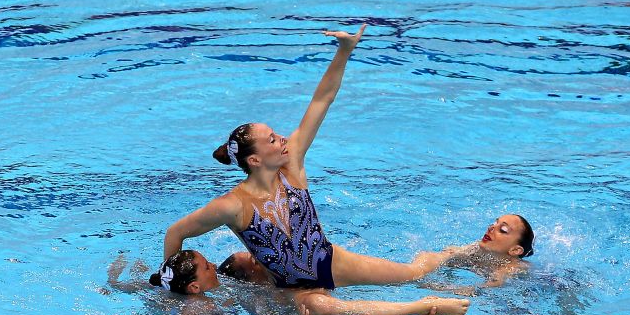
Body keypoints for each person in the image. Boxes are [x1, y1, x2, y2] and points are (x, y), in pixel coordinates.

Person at [161, 24, 457, 291]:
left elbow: (322, 99)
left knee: (415, 274)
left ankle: (458, 253)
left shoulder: (291, 164)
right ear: (255, 160)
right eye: (272, 139)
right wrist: (173, 289)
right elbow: (175, 233)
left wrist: (344, 51)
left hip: (332, 265)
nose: (283, 139)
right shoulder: (231, 206)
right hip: (290, 291)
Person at [219, 250, 469, 315]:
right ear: (254, 278)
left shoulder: (291, 261)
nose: (260, 252)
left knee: (415, 272)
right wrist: (424, 306)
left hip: (326, 265)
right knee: (320, 305)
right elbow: (357, 308)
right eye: (254, 259)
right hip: (316, 291)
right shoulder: (298, 300)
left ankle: (462, 251)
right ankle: (425, 303)